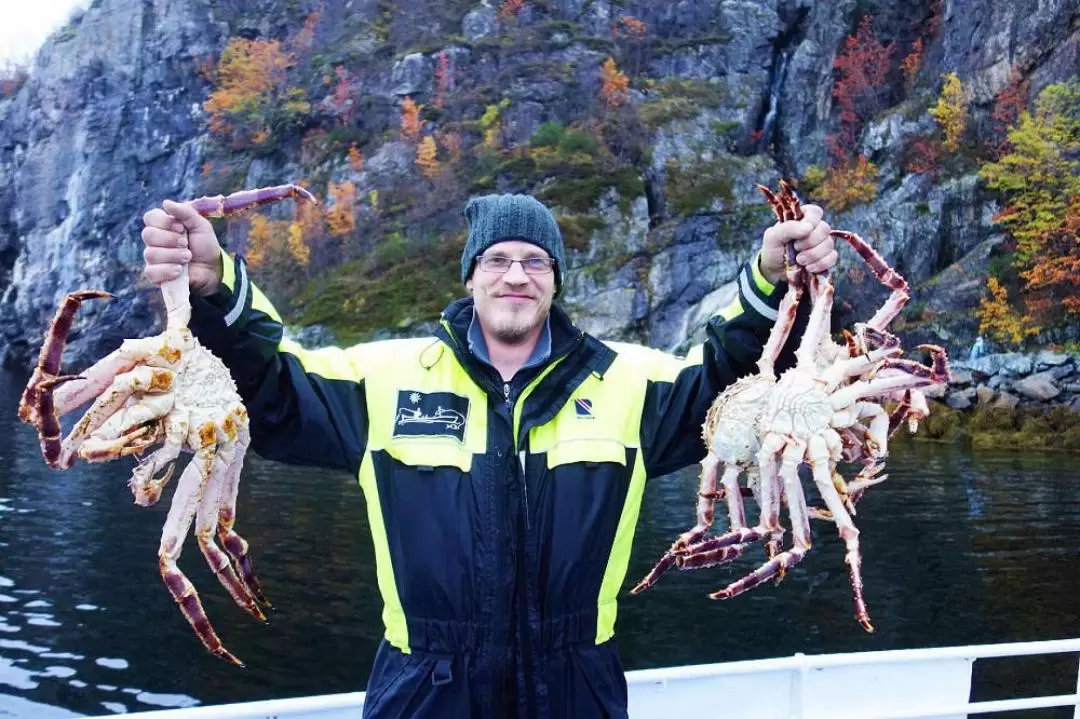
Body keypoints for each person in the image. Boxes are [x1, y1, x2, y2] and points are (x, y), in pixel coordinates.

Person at [141, 192, 838, 718]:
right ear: (471, 277)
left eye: (535, 261)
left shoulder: (630, 384)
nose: (516, 275)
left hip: (576, 687)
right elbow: (270, 393)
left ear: (556, 279)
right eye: (497, 259)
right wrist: (216, 286)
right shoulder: (384, 379)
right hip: (423, 689)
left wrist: (779, 280)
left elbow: (733, 382)